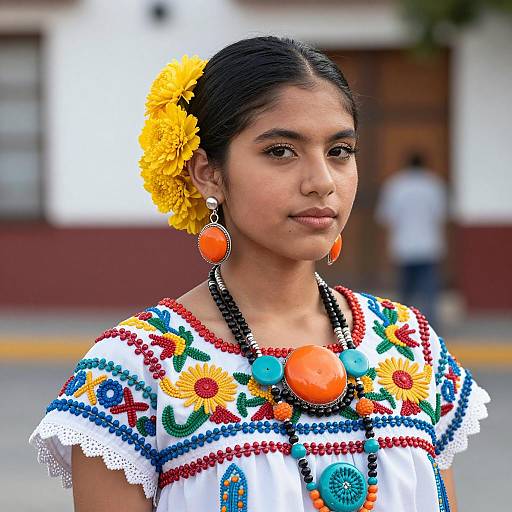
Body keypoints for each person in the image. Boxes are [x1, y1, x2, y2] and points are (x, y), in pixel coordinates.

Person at [30, 37, 489, 512]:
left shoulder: (409, 344)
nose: (322, 181)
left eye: (340, 150)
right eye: (281, 151)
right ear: (207, 173)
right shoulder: (136, 370)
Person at [375, 153, 448, 330]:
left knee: (405, 288)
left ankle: (402, 324)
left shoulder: (396, 185)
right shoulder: (433, 185)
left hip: (404, 244)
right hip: (428, 244)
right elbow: (442, 214)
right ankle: (431, 326)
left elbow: (385, 217)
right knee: (429, 289)